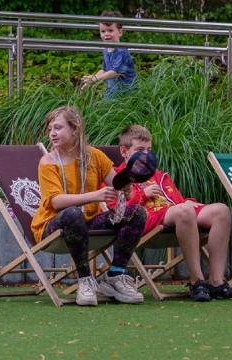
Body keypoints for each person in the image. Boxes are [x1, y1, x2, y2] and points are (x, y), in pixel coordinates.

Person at [109, 125, 232, 302]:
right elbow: (116, 211)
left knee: (221, 211)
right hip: (145, 218)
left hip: (176, 214)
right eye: (139, 150)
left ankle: (216, 282)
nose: (146, 154)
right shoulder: (115, 175)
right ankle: (197, 280)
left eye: (149, 150)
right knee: (184, 210)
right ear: (124, 151)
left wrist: (186, 202)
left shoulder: (159, 175)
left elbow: (177, 201)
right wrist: (141, 195)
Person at [29, 105, 147, 306]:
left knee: (137, 212)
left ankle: (115, 276)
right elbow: (56, 202)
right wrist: (96, 195)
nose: (52, 133)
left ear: (75, 130)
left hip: (88, 223)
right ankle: (85, 280)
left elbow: (118, 186)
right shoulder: (47, 162)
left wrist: (126, 187)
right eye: (50, 129)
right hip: (52, 226)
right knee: (73, 213)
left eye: (58, 128)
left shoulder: (94, 156)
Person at [81, 11, 137, 98]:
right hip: (112, 90)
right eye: (103, 31)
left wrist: (94, 79)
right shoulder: (106, 49)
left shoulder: (121, 50)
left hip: (126, 92)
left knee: (121, 110)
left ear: (120, 32)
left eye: (110, 30)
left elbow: (114, 73)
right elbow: (105, 69)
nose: (106, 34)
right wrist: (91, 80)